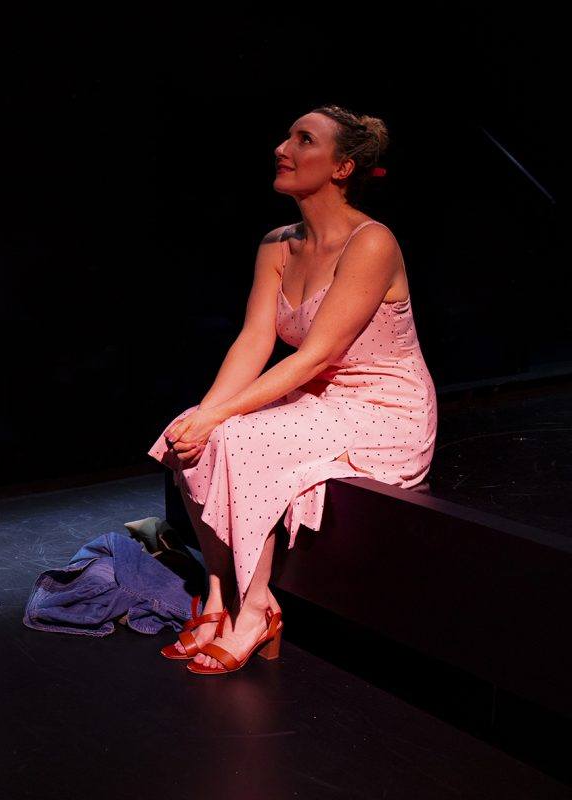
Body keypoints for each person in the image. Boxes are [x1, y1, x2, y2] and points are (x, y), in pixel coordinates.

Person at [148, 105, 437, 675]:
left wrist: (223, 418)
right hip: (320, 398)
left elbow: (318, 354)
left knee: (242, 440)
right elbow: (255, 340)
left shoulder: (371, 242)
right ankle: (218, 596)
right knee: (191, 429)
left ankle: (258, 609)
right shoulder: (278, 243)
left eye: (303, 140)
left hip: (384, 407)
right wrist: (206, 413)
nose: (283, 148)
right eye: (287, 136)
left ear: (341, 167)